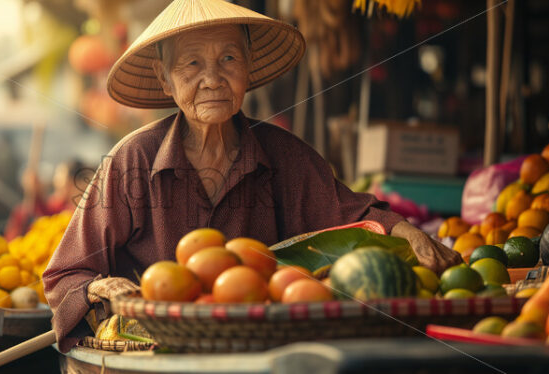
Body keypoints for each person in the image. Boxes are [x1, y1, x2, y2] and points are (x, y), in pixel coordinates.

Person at [43, 0, 462, 352]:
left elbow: (357, 215)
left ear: (247, 68)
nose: (212, 78)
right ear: (164, 79)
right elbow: (65, 275)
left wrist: (408, 232)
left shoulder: (285, 155)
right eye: (191, 63)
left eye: (228, 58)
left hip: (264, 354)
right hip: (155, 356)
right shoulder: (131, 160)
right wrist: (99, 289)